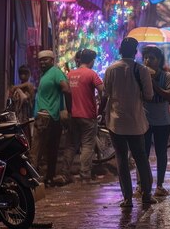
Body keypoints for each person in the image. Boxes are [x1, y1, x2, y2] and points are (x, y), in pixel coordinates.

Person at [103, 38, 156, 207]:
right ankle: (146, 194)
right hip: (136, 121)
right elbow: (149, 95)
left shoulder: (111, 69)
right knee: (141, 157)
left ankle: (127, 198)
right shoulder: (142, 70)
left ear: (120, 50)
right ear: (135, 52)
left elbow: (106, 94)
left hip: (116, 121)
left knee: (121, 159)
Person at [62, 49, 103, 184]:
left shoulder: (70, 74)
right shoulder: (91, 74)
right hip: (87, 115)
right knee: (87, 145)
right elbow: (104, 91)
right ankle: (85, 175)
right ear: (91, 61)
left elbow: (66, 93)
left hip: (73, 114)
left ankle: (65, 173)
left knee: (71, 145)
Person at [30, 50, 71, 186]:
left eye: (45, 60)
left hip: (47, 117)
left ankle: (39, 180)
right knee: (47, 149)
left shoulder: (56, 72)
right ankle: (47, 178)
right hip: (47, 117)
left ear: (52, 60)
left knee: (41, 150)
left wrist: (68, 109)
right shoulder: (46, 74)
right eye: (40, 60)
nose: (42, 62)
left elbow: (66, 89)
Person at [140, 46, 170, 197]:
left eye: (152, 58)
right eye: (146, 57)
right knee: (143, 153)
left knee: (161, 153)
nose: (148, 60)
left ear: (159, 60)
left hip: (162, 120)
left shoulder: (167, 77)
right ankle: (143, 184)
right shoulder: (140, 75)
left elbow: (168, 96)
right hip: (144, 120)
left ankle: (159, 185)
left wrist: (153, 84)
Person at [10, 65, 35, 141]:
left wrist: (16, 89)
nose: (22, 76)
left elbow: (27, 99)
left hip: (26, 114)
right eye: (21, 73)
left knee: (26, 133)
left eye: (25, 73)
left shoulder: (28, 86)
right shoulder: (19, 87)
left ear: (28, 74)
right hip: (19, 114)